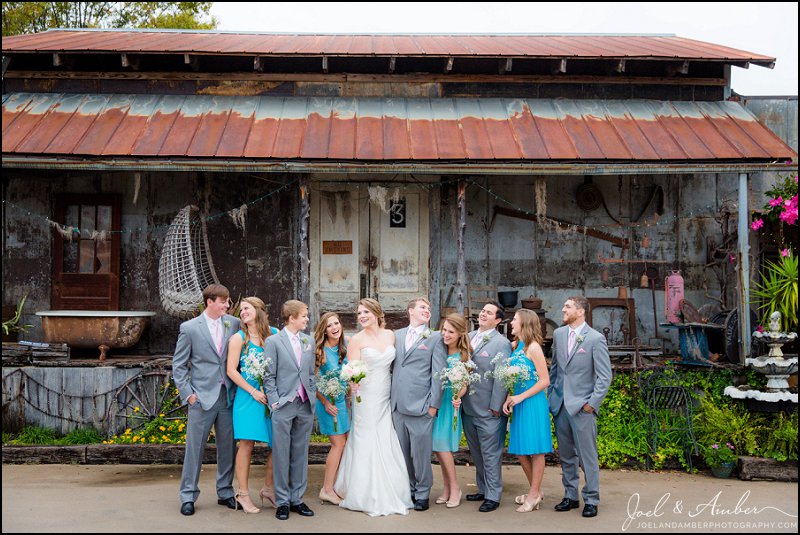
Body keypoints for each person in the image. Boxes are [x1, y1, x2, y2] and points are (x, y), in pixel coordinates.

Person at [333, 298, 414, 516]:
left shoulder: (391, 336)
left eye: (366, 312)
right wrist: (353, 382)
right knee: (366, 436)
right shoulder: (356, 340)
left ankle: (394, 485)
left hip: (386, 393)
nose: (362, 316)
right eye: (359, 313)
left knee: (386, 434)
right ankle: (363, 490)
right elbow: (352, 371)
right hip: (366, 396)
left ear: (377, 313)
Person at [172, 283, 241, 516]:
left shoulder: (234, 324)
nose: (228, 305)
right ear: (210, 302)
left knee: (228, 448)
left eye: (228, 301)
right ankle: (188, 495)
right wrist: (189, 395)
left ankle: (225, 492)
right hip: (200, 398)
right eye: (223, 301)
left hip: (228, 396)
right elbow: (179, 365)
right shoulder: (190, 328)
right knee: (195, 448)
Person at [548, 295, 612, 518]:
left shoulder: (594, 339)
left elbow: (605, 377)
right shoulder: (558, 334)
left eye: (567, 306)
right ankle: (570, 496)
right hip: (560, 406)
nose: (563, 309)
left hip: (582, 407)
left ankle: (592, 499)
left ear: (581, 311)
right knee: (566, 455)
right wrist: (552, 398)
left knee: (587, 457)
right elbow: (555, 369)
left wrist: (591, 404)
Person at [263, 300, 317, 521]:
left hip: (304, 404)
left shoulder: (308, 340)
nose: (307, 319)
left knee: (300, 453)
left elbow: (310, 373)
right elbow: (268, 375)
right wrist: (274, 402)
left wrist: (311, 394)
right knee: (281, 453)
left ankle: (297, 499)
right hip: (283, 404)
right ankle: (282, 500)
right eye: (304, 316)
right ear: (292, 318)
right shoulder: (273, 341)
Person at [390, 296, 445, 512]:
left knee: (421, 454)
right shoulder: (397, 335)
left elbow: (438, 373)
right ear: (410, 311)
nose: (427, 310)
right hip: (397, 406)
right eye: (423, 307)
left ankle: (423, 493)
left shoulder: (434, 338)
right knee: (403, 453)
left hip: (421, 406)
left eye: (429, 308)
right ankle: (410, 489)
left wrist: (433, 405)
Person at [225, 296, 279, 514]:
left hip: (271, 398)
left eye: (247, 308)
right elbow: (231, 370)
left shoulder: (274, 335)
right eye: (241, 310)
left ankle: (269, 489)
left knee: (277, 444)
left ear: (259, 310)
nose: (243, 313)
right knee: (246, 444)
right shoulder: (238, 339)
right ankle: (243, 494)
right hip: (248, 398)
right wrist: (254, 391)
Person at [462, 300, 512, 513]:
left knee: (491, 453)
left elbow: (502, 377)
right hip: (468, 407)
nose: (483, 314)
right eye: (482, 311)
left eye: (489, 313)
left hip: (489, 409)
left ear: (498, 320)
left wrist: (496, 406)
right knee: (477, 452)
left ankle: (493, 495)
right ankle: (482, 488)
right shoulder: (470, 337)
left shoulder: (501, 343)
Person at [502, 309, 552, 513]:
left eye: (514, 320)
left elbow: (545, 380)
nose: (511, 323)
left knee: (535, 450)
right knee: (521, 452)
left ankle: (533, 495)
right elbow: (515, 378)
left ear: (524, 323)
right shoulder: (516, 346)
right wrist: (510, 396)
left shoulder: (534, 348)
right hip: (519, 402)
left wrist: (521, 396)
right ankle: (536, 491)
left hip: (533, 403)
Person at [431, 313, 472, 508]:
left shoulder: (463, 355)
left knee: (443, 446)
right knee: (438, 449)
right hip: (436, 402)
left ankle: (455, 487)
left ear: (460, 334)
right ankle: (447, 488)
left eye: (450, 331)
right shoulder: (439, 350)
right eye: (444, 330)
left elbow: (464, 384)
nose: (445, 334)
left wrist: (459, 396)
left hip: (450, 404)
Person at [313, 312, 350, 506]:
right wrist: (326, 403)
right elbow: (313, 382)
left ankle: (337, 485)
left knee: (345, 443)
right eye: (329, 325)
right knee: (338, 444)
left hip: (342, 402)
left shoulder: (345, 347)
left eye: (336, 323)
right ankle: (326, 489)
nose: (334, 327)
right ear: (324, 330)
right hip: (327, 404)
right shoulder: (320, 352)